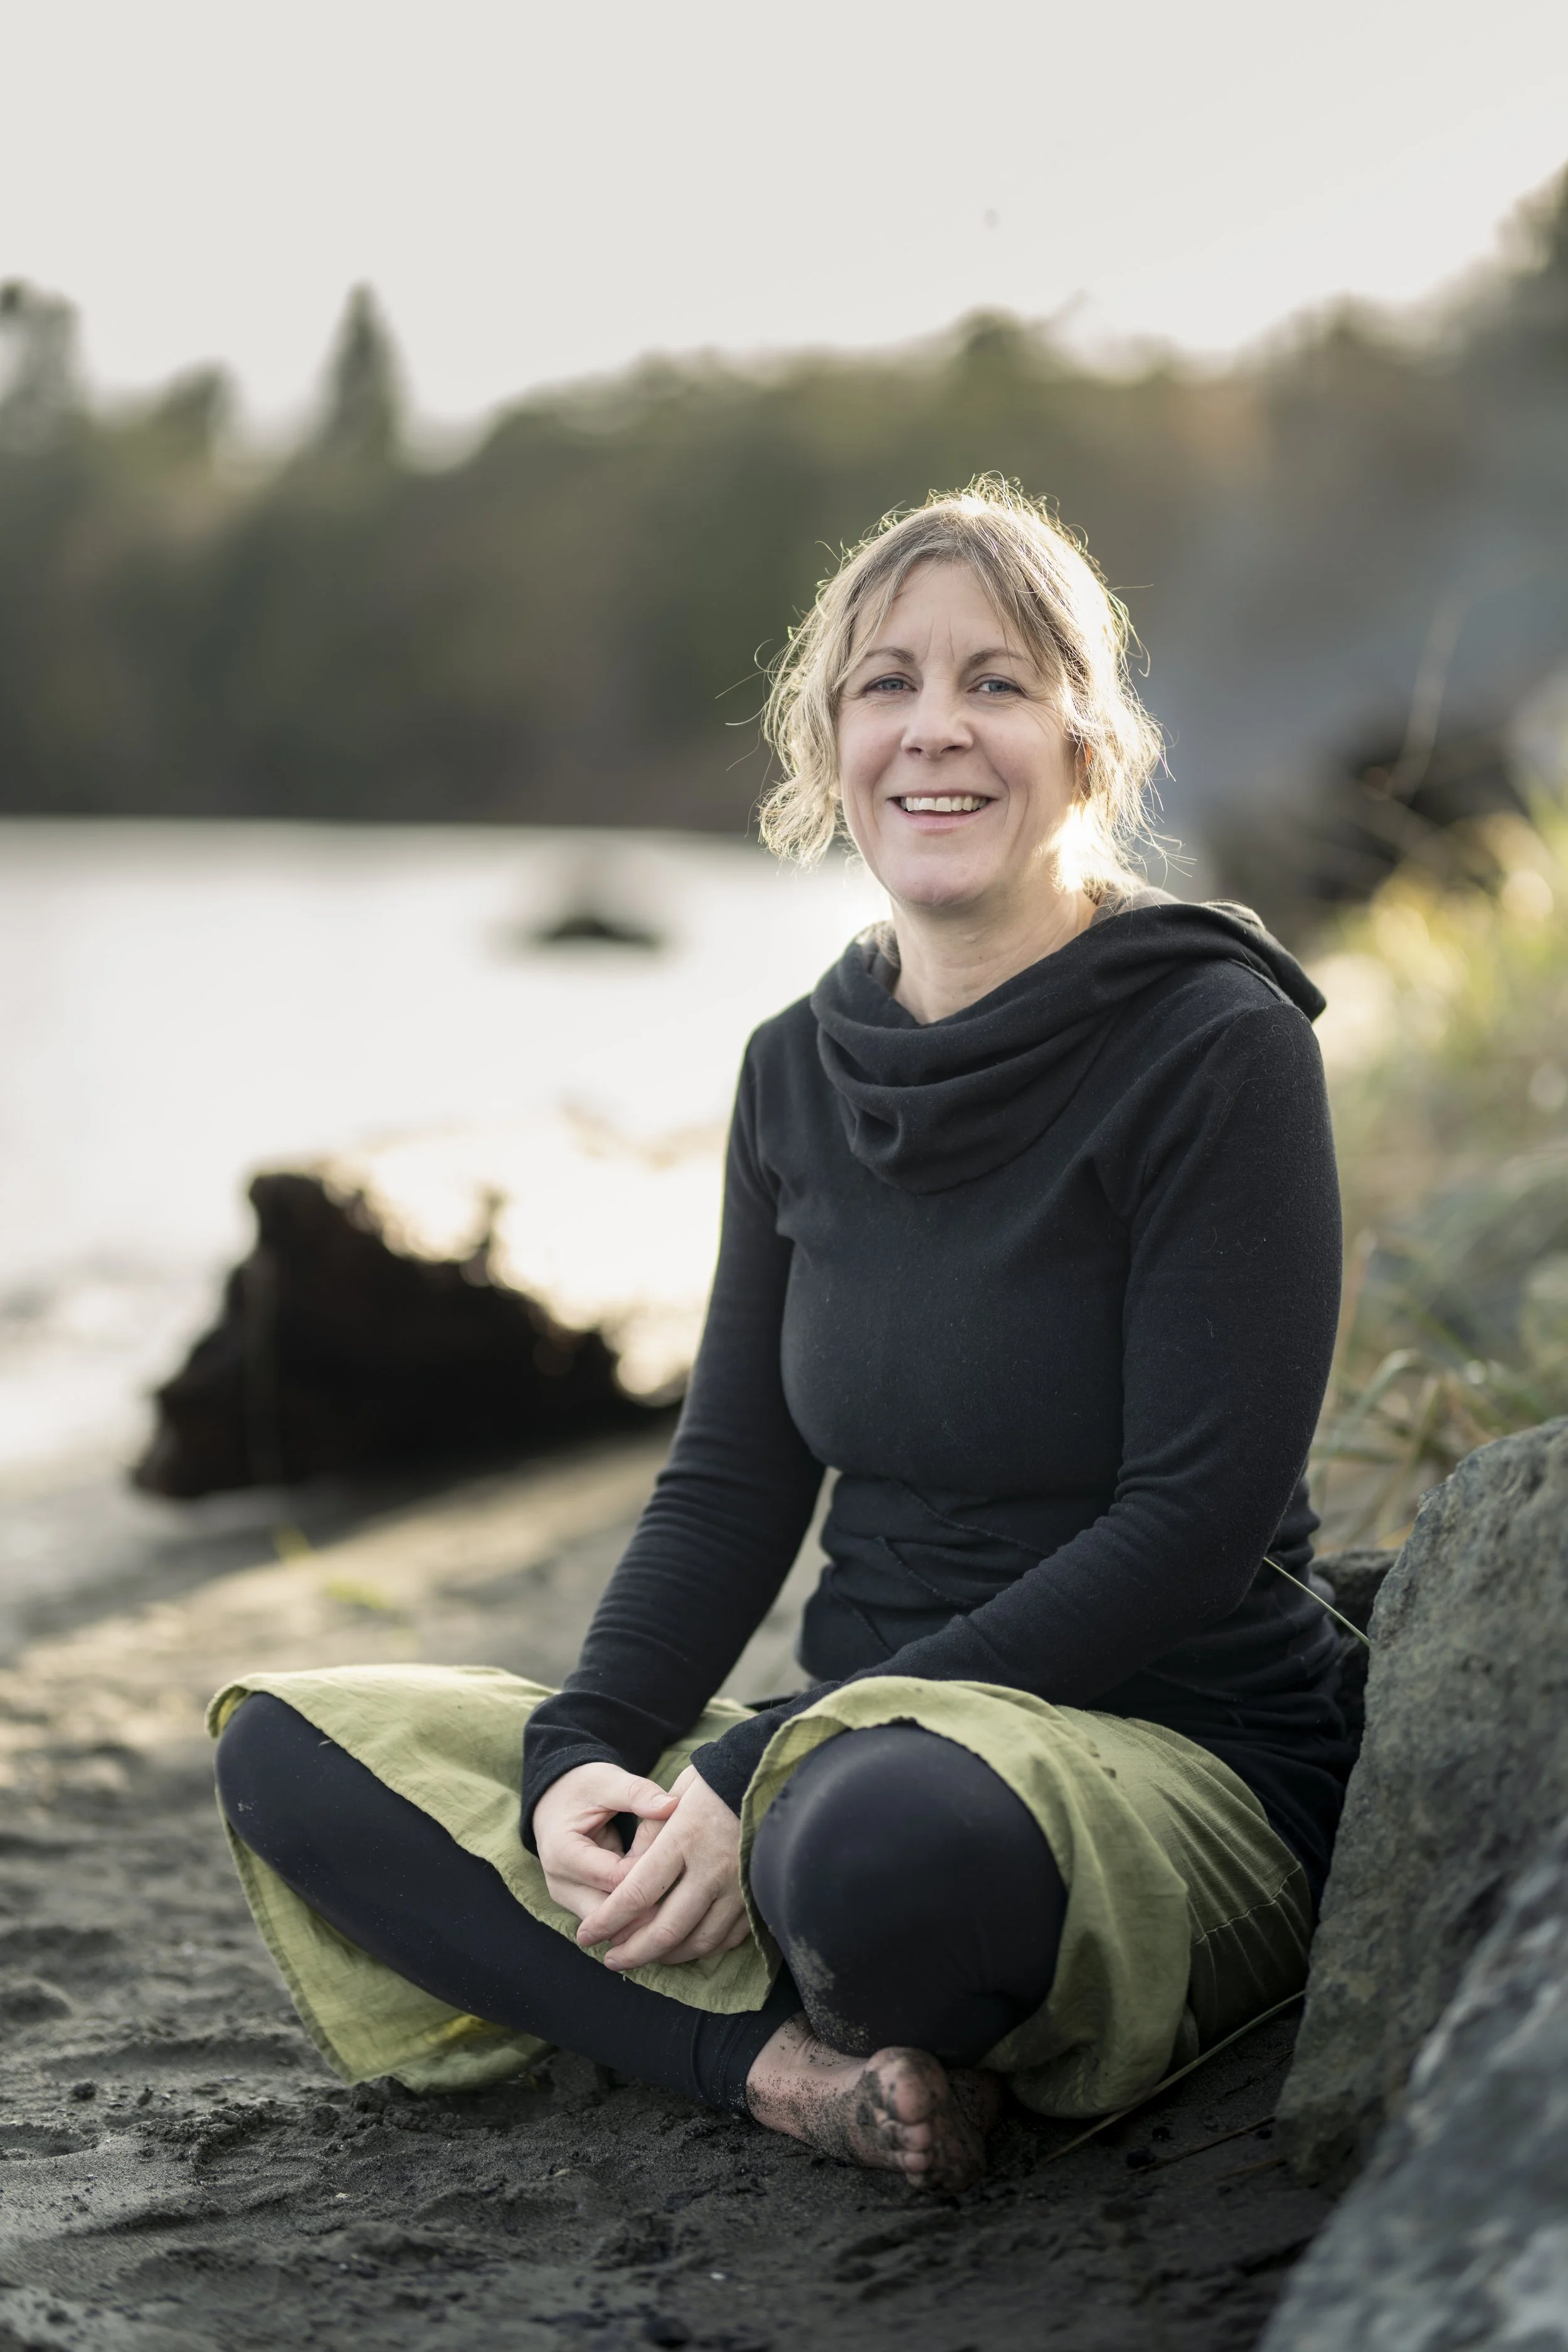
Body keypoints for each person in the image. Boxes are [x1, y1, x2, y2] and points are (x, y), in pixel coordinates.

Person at [213, 481, 1348, 2196]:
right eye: (885, 683)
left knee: (864, 1857)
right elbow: (737, 1469)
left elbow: (1187, 1530)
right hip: (837, 1744)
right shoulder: (791, 1068)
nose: (934, 730)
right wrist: (578, 1751)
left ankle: (811, 1932)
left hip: (1145, 1751)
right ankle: (773, 2069)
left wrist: (757, 1764)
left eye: (996, 681)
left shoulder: (1213, 1045)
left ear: (1089, 740)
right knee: (285, 1748)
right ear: (828, 743)